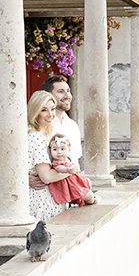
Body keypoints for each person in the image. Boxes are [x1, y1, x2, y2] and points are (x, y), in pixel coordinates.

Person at [26, 90, 73, 222]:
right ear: (35, 112)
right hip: (41, 201)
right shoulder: (36, 137)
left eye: (52, 109)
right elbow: (46, 177)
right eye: (44, 110)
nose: (50, 114)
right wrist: (71, 170)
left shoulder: (42, 134)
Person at [45, 134, 93, 207]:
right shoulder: (56, 162)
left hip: (75, 182)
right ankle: (91, 200)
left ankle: (85, 200)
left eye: (62, 149)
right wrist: (67, 169)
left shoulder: (68, 159)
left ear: (68, 149)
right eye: (55, 149)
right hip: (70, 185)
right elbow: (59, 168)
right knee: (89, 196)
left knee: (88, 182)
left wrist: (74, 166)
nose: (59, 152)